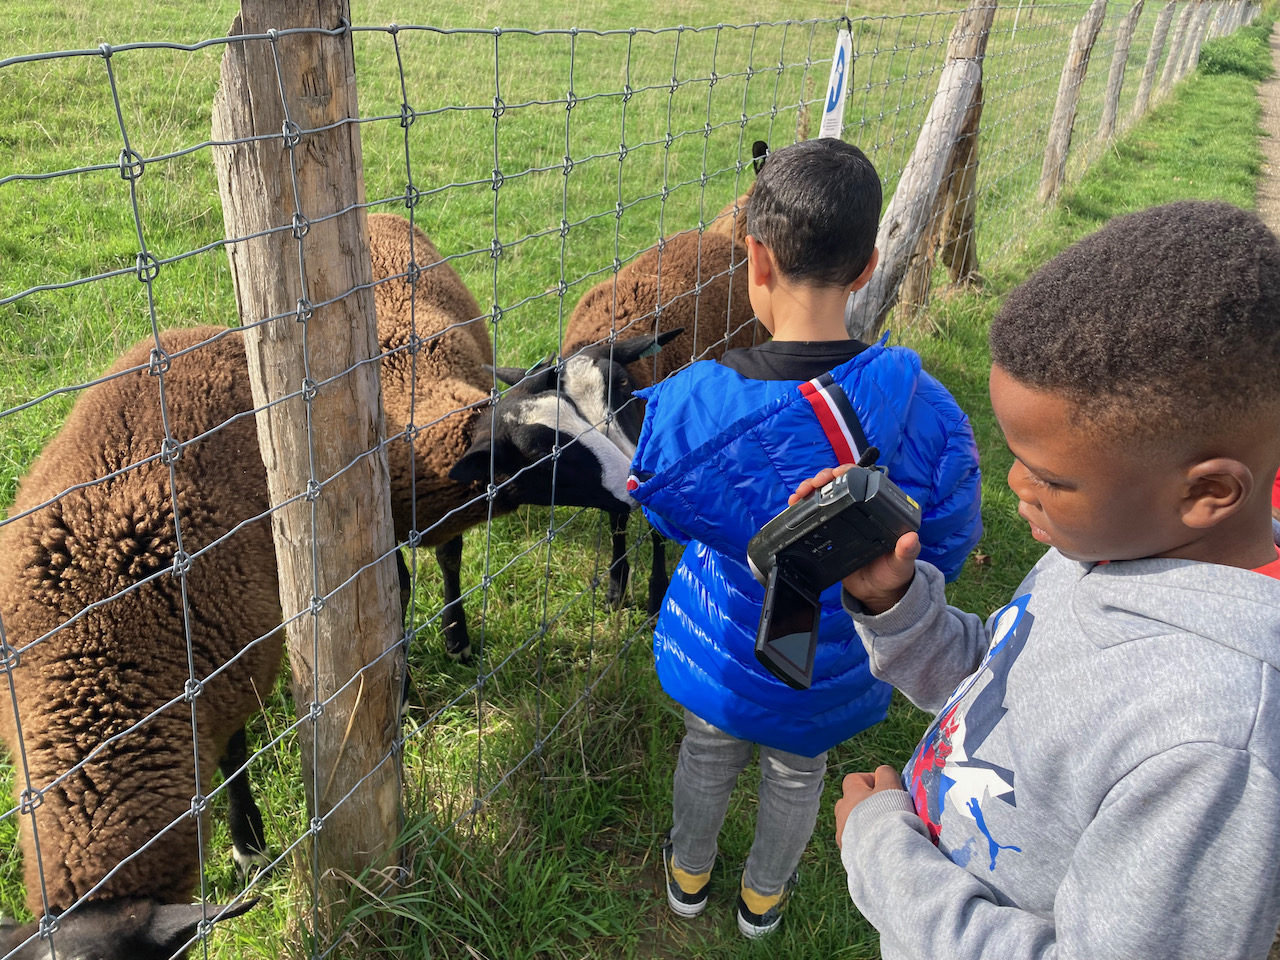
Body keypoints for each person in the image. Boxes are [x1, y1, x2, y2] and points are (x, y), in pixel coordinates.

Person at [814, 200, 1280, 959]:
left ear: (1207, 493)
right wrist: (895, 604)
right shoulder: (1108, 545)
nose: (1015, 486)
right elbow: (1004, 682)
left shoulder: (1212, 747)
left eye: (1052, 479)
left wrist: (882, 855)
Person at [626, 137, 982, 938]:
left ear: (755, 258)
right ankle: (764, 899)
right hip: (834, 663)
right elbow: (948, 543)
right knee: (797, 773)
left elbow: (664, 512)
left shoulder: (689, 404)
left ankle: (688, 876)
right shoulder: (928, 410)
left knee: (706, 752)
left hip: (722, 646)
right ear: (868, 267)